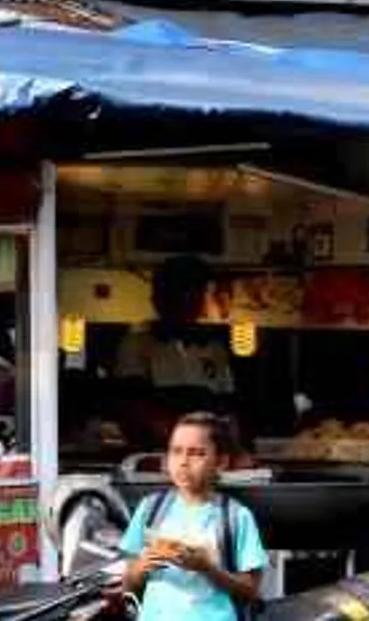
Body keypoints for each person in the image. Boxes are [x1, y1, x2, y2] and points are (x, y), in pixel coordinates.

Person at [121, 412, 268, 621]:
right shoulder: (150, 509)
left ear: (220, 462)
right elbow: (127, 584)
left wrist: (208, 568)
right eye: (176, 451)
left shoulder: (236, 517)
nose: (183, 461)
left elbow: (251, 591)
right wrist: (140, 567)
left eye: (196, 453)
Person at [110, 255, 238, 446]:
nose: (192, 301)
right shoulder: (137, 345)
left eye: (198, 292)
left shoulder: (213, 348)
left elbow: (226, 409)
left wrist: (231, 443)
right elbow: (133, 408)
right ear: (160, 299)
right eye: (184, 292)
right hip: (155, 454)